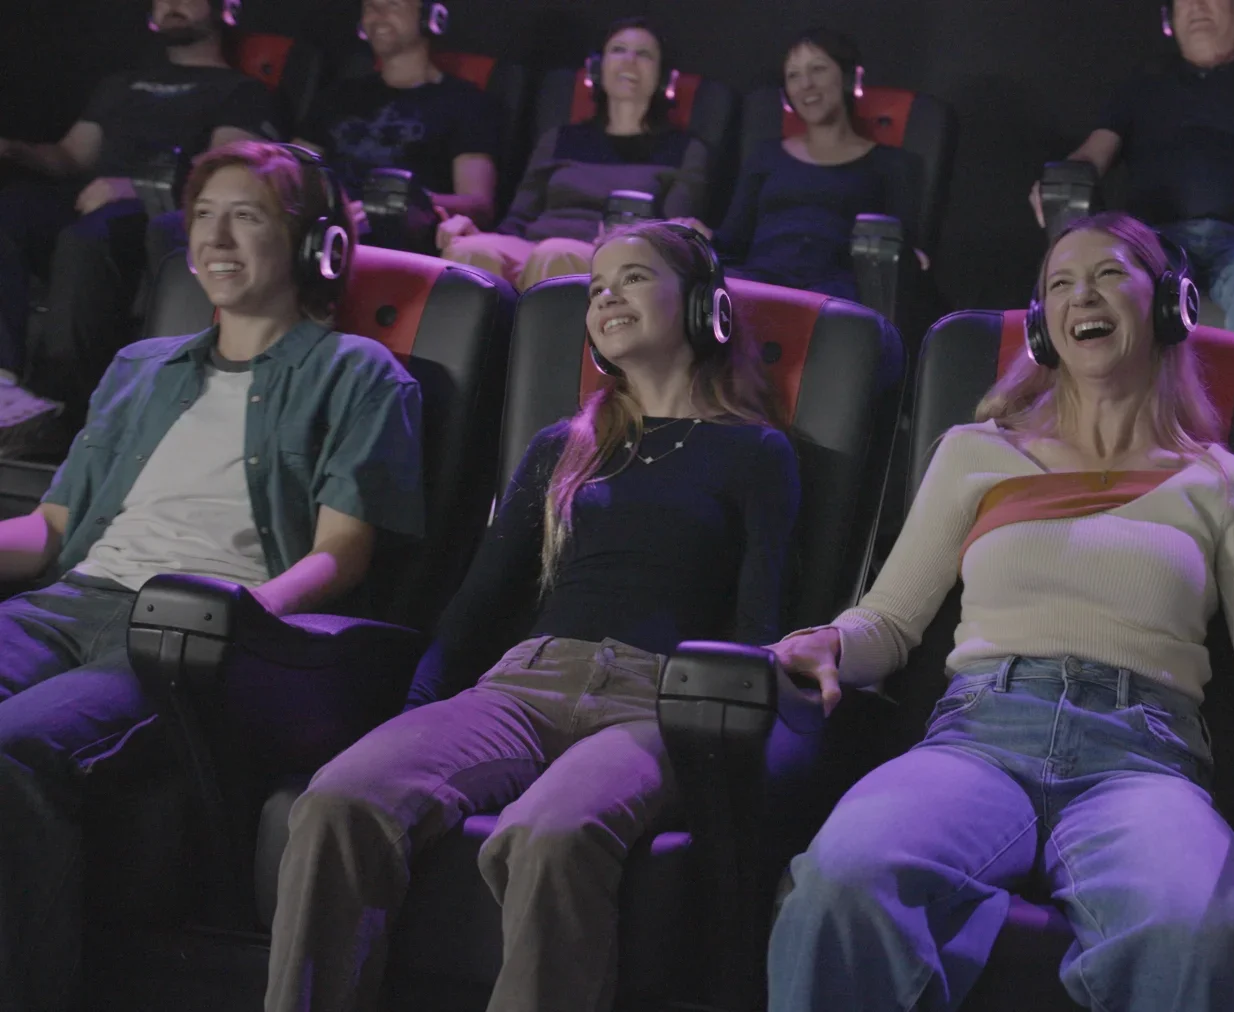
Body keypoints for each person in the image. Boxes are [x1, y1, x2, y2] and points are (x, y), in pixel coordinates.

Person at [765, 212, 1234, 1011]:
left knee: (1196, 938)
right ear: (1040, 325)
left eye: (1106, 275)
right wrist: (826, 641)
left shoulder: (1229, 483)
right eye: (1059, 284)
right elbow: (888, 622)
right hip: (981, 735)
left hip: (1144, 757)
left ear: (1169, 303)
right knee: (841, 882)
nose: (1080, 297)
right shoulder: (976, 451)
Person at [265, 221, 800, 1012]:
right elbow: (479, 602)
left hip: (660, 703)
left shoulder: (757, 453)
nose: (608, 295)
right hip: (524, 683)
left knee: (549, 835)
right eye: (595, 287)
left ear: (704, 310)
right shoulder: (564, 445)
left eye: (633, 277)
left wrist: (731, 742)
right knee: (339, 800)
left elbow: (759, 629)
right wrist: (418, 717)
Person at [0, 140, 423, 1012]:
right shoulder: (140, 369)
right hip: (71, 601)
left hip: (187, 634)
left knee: (14, 750)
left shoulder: (359, 374)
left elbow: (342, 555)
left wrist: (245, 616)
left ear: (317, 245)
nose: (216, 238)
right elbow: (49, 531)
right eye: (201, 216)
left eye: (247, 215)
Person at [0, 0, 279, 457]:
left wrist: (130, 186)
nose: (171, 5)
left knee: (87, 237)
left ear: (225, 9)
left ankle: (60, 408)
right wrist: (13, 148)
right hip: (86, 202)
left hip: (158, 213)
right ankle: (5, 388)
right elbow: (71, 156)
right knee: (10, 211)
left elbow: (228, 172)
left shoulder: (242, 91)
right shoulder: (120, 85)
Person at [1028, 0, 1234, 345]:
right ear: (1170, 19)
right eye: (1184, 2)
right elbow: (1091, 155)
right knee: (1132, 274)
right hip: (1158, 239)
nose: (1197, 8)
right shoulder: (1143, 86)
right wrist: (1057, 180)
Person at [438, 17, 710, 290]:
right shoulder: (559, 139)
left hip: (613, 254)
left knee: (555, 255)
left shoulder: (684, 150)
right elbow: (518, 220)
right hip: (533, 244)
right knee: (470, 250)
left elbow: (670, 234)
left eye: (644, 54)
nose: (629, 61)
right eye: (618, 50)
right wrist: (479, 235)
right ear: (595, 68)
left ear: (663, 77)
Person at [702, 27, 922, 300]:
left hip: (840, 297)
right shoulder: (765, 156)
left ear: (848, 77)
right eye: (793, 75)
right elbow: (732, 241)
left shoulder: (891, 164)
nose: (806, 84)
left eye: (818, 69)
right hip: (759, 285)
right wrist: (699, 234)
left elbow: (902, 253)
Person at [295, 0, 501, 235]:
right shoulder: (337, 96)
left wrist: (399, 205)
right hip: (327, 232)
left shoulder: (467, 103)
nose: (378, 15)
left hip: (407, 242)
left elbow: (479, 206)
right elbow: (291, 168)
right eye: (370, 7)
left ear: (430, 18)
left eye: (393, 4)